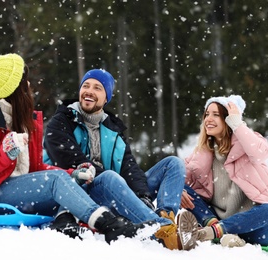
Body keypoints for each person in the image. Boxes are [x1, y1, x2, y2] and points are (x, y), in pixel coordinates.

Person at [0, 53, 153, 245]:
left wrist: (71, 174)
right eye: (24, 81)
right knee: (54, 180)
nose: (29, 86)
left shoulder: (21, 120)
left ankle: (148, 226)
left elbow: (35, 169)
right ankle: (108, 224)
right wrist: (4, 155)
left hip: (16, 189)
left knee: (71, 179)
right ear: (14, 87)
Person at [43, 69, 196, 250]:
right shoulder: (61, 121)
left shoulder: (113, 129)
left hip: (117, 192)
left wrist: (143, 196)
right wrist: (119, 186)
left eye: (97, 88)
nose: (89, 91)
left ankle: (166, 217)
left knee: (173, 163)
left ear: (106, 97)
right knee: (109, 177)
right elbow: (70, 160)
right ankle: (161, 229)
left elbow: (129, 167)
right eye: (86, 86)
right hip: (80, 191)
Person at [181, 94, 268, 248]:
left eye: (216, 114)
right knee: (181, 188)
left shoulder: (249, 144)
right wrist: (180, 191)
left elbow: (260, 153)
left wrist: (237, 124)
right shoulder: (201, 153)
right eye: (207, 114)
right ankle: (217, 230)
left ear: (228, 119)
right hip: (215, 219)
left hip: (252, 226)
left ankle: (214, 232)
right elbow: (180, 177)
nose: (208, 119)